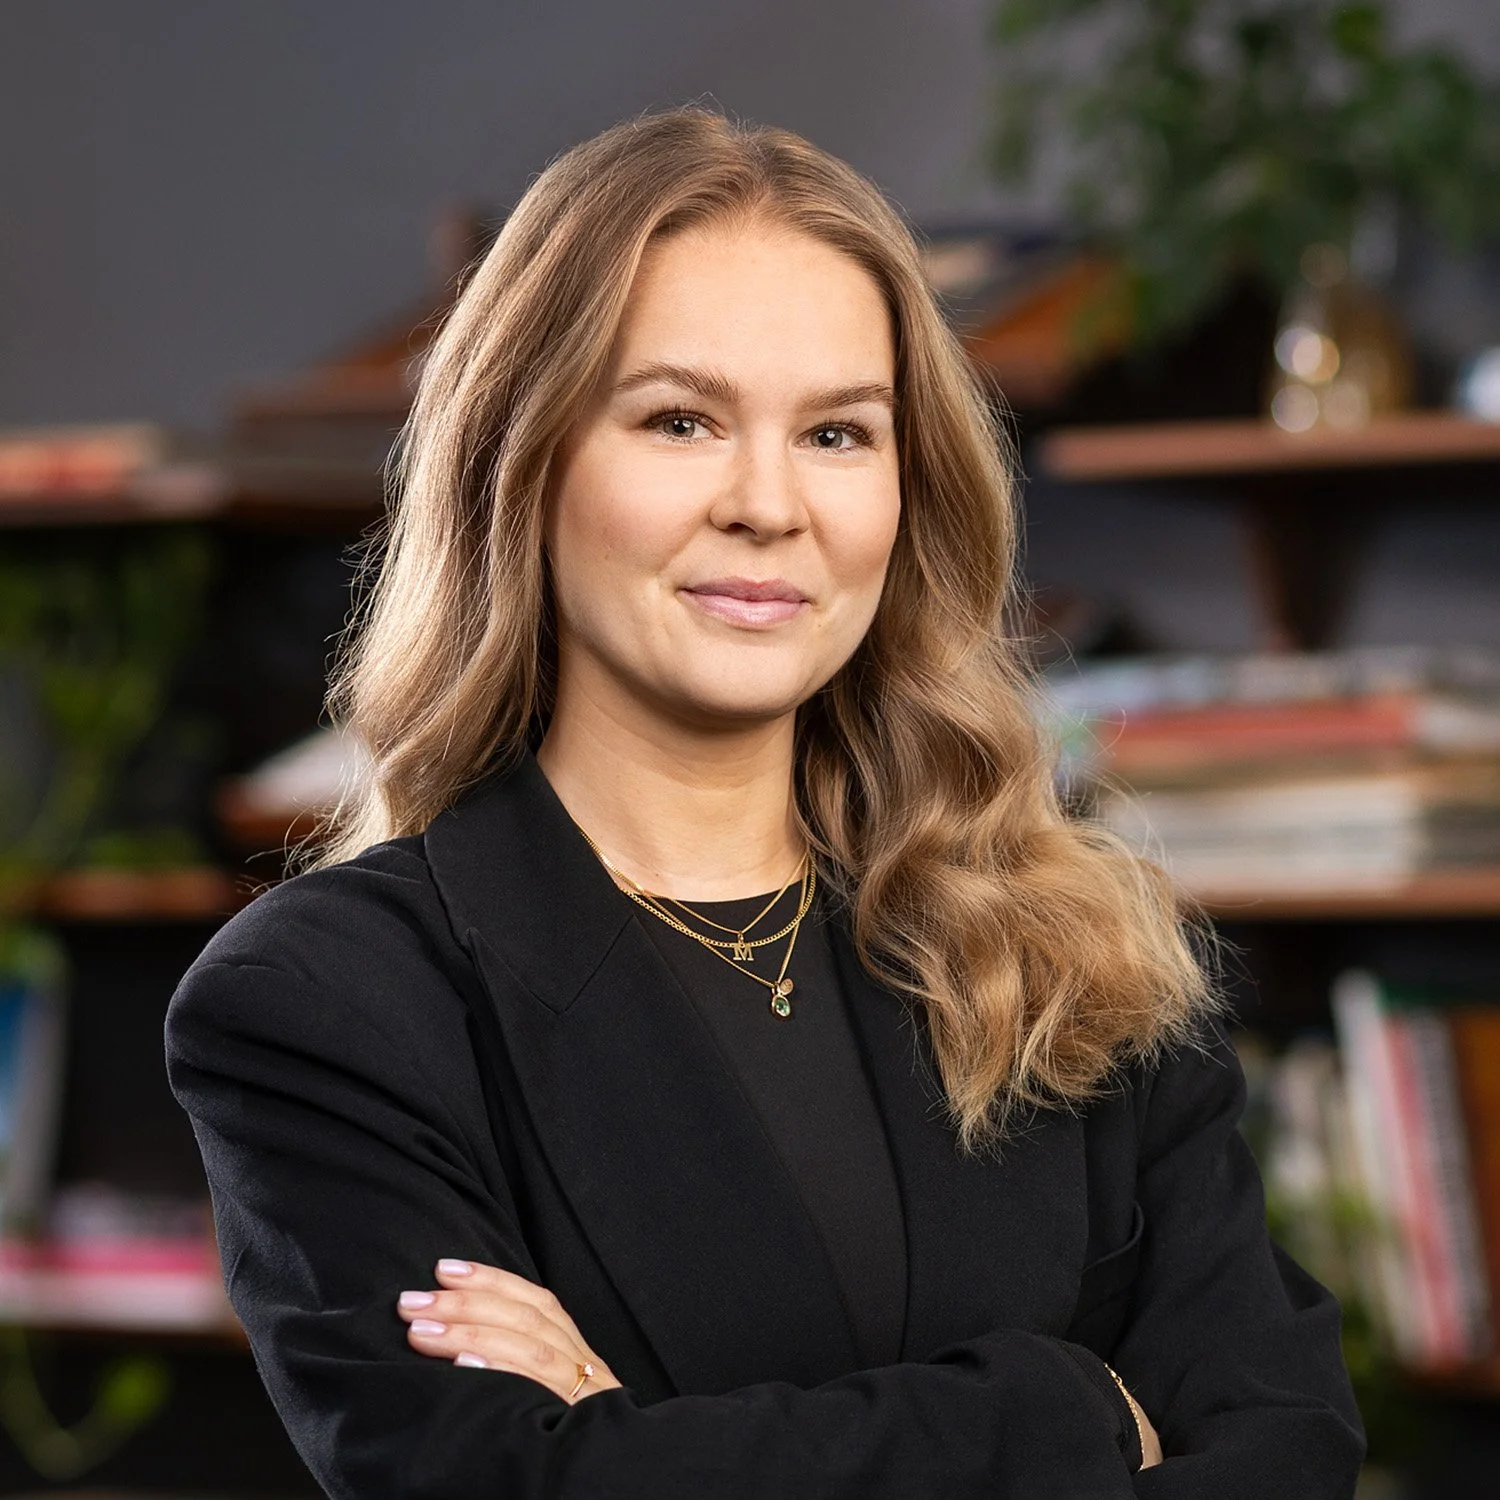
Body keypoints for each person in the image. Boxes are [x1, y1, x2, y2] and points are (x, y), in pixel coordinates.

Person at [164, 106, 1364, 1498]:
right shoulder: (330, 1004)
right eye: (680, 420)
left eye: (840, 435)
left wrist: (654, 1451)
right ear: (526, 460)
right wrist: (1068, 1413)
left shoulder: (1066, 940)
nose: (768, 504)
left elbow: (1289, 1452)